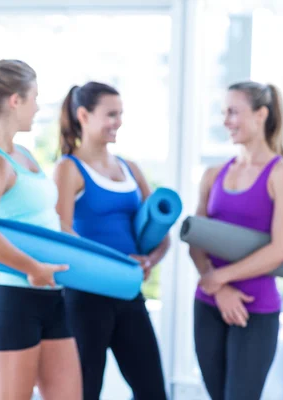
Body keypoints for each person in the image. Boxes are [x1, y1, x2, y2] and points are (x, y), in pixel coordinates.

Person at [0, 59, 82, 400]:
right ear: (16, 101)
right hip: (15, 300)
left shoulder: (23, 153)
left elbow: (45, 219)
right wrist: (33, 268)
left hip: (52, 296)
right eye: (34, 97)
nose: (38, 107)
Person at [53, 81, 169, 400]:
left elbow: (162, 236)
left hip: (129, 292)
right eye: (110, 114)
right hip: (85, 298)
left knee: (153, 391)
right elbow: (63, 235)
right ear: (83, 115)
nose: (118, 122)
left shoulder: (129, 168)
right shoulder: (68, 168)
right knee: (86, 392)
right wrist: (118, 264)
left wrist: (150, 260)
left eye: (120, 114)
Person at [190, 81, 283, 400]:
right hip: (209, 304)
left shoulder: (282, 176)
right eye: (224, 113)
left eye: (234, 112)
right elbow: (196, 239)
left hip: (256, 309)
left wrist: (220, 277)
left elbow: (280, 250)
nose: (226, 121)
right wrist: (219, 289)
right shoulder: (213, 174)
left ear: (261, 114)